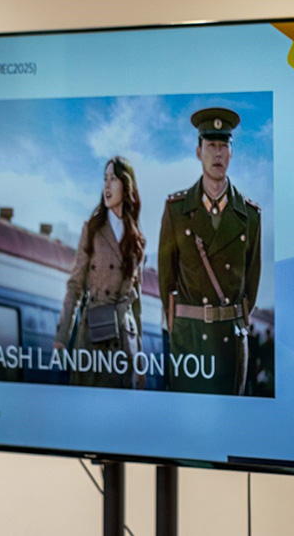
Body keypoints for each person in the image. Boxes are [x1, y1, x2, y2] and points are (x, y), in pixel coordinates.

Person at [158, 107, 261, 395]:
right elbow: (167, 278)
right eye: (211, 145)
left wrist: (233, 319)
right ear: (198, 151)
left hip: (229, 338)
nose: (217, 153)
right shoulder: (177, 210)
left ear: (231, 153)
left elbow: (251, 281)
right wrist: (177, 327)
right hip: (189, 340)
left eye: (223, 146)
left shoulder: (250, 216)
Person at [55, 156, 146, 389]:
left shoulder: (136, 240)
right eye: (105, 179)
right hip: (92, 336)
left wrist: (141, 358)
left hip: (124, 341)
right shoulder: (92, 229)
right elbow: (75, 285)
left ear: (126, 187)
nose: (106, 186)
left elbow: (137, 304)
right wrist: (61, 338)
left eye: (113, 179)